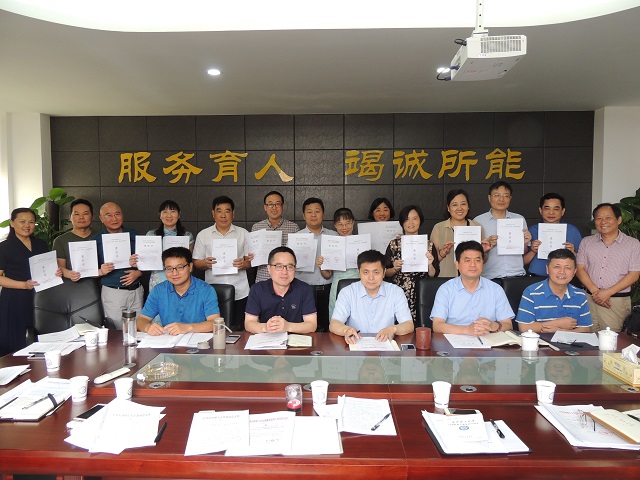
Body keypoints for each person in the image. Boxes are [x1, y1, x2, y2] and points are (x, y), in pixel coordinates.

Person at [0, 208, 61, 356]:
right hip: (15, 299)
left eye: (31, 222)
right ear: (12, 223)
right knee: (17, 340)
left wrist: (56, 273)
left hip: (41, 297)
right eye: (22, 221)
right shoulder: (4, 247)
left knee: (40, 336)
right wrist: (23, 285)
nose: (27, 225)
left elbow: (48, 268)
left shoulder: (41, 244)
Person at [576, 203, 640, 332]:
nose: (603, 222)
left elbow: (634, 274)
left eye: (608, 218)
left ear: (619, 220)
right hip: (588, 299)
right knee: (587, 338)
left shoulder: (632, 244)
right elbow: (580, 268)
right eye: (598, 218)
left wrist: (607, 292)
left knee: (613, 339)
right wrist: (596, 292)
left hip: (615, 302)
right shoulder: (586, 242)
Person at [193, 196, 253, 330]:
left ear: (233, 214)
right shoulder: (203, 235)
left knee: (239, 330)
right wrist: (205, 263)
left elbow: (250, 262)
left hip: (240, 291)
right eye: (219, 211)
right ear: (213, 213)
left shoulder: (243, 233)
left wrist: (243, 264)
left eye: (227, 211)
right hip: (213, 292)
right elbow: (196, 262)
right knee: (215, 330)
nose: (223, 215)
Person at [330, 249, 414, 344]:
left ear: (384, 272)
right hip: (356, 345)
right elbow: (334, 324)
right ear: (359, 272)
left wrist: (393, 329)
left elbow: (408, 325)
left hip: (385, 346)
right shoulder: (347, 292)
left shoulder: (396, 292)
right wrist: (346, 330)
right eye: (366, 272)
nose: (371, 277)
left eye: (376, 272)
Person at [431, 241, 514, 335]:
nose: (473, 265)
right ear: (457, 264)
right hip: (455, 340)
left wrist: (493, 326)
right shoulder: (446, 289)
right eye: (467, 260)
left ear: (483, 263)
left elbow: (508, 325)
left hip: (488, 340)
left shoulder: (496, 289)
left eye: (477, 260)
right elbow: (437, 326)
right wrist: (466, 330)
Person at [136, 247, 220, 335]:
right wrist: (147, 327)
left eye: (180, 267)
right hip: (169, 340)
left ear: (190, 267)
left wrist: (187, 328)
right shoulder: (158, 291)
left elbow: (215, 323)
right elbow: (142, 320)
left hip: (198, 342)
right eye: (169, 268)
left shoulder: (206, 290)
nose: (175, 273)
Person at [516, 248, 592, 333]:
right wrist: (557, 323)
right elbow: (524, 328)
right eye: (557, 267)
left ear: (574, 272)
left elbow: (585, 329)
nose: (562, 272)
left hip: (570, 341)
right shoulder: (531, 292)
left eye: (567, 268)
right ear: (547, 269)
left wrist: (560, 331)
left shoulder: (580, 295)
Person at [385, 205, 439, 323]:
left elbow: (433, 274)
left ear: (420, 220)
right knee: (400, 325)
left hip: (422, 292)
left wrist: (429, 264)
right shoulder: (394, 245)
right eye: (407, 219)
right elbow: (385, 273)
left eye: (415, 218)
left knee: (421, 323)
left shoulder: (428, 245)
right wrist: (394, 268)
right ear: (402, 222)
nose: (411, 222)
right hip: (399, 292)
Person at [245, 246, 317, 334]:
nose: (284, 272)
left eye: (290, 267)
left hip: (296, 339)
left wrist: (288, 326)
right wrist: (266, 327)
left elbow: (312, 325)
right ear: (269, 269)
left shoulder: (305, 289)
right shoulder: (257, 289)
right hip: (267, 338)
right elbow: (249, 323)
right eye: (279, 266)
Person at [94, 202, 143, 329]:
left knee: (138, 330)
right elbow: (87, 271)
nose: (114, 219)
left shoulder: (133, 234)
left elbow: (149, 261)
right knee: (116, 331)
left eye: (117, 214)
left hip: (136, 291)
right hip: (113, 293)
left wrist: (139, 272)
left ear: (122, 215)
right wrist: (100, 271)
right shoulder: (96, 240)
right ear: (101, 218)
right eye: (108, 215)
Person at [473, 181, 532, 280]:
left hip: (516, 274)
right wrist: (485, 247)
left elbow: (524, 252)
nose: (501, 199)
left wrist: (525, 242)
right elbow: (473, 252)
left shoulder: (519, 219)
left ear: (510, 198)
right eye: (497, 195)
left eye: (506, 196)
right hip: (489, 276)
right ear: (489, 198)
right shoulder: (478, 221)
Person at [295, 197, 337, 331]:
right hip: (304, 290)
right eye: (309, 212)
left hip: (328, 289)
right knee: (306, 329)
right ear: (304, 215)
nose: (313, 215)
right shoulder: (295, 238)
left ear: (323, 214)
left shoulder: (334, 236)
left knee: (328, 328)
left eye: (317, 211)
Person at [430, 189, 486, 278]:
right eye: (455, 205)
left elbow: (483, 260)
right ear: (448, 208)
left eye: (463, 204)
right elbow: (432, 262)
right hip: (446, 279)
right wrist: (443, 253)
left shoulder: (476, 226)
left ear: (468, 206)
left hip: (472, 280)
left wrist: (484, 250)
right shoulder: (439, 228)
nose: (459, 208)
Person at [524, 193, 583, 277]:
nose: (551, 212)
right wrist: (533, 251)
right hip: (536, 277)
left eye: (556, 209)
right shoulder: (532, 230)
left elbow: (582, 262)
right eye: (547, 208)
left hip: (563, 278)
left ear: (562, 211)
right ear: (540, 210)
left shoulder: (572, 230)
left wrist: (573, 252)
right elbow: (523, 262)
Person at [141, 200, 194, 291]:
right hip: (158, 279)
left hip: (180, 279)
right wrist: (139, 260)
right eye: (165, 212)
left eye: (173, 211)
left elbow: (189, 260)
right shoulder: (151, 235)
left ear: (179, 215)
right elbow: (145, 259)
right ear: (160, 215)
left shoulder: (187, 236)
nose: (169, 215)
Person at [251, 191, 299, 283]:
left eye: (277, 204)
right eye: (270, 204)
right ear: (265, 207)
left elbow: (296, 255)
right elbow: (253, 255)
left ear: (282, 206)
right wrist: (252, 257)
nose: (274, 207)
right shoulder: (256, 228)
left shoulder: (294, 228)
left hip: (285, 279)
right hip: (263, 278)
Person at [327, 208, 360, 319]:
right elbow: (327, 275)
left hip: (359, 284)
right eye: (340, 224)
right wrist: (322, 264)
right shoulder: (331, 245)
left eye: (347, 223)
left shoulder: (362, 242)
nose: (344, 227)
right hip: (338, 285)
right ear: (335, 225)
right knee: (338, 318)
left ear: (353, 222)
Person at [52, 198, 95, 281]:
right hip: (71, 285)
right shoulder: (60, 240)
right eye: (77, 214)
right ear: (70, 217)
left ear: (92, 216)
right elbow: (60, 267)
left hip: (100, 284)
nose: (81, 217)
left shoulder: (100, 236)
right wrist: (70, 274)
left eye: (85, 214)